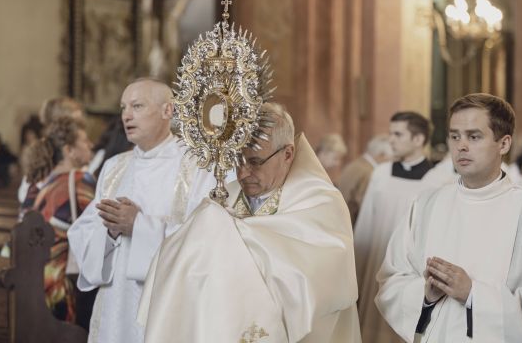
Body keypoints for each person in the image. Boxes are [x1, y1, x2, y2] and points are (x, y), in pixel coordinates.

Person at [138, 103, 361, 343]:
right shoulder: (226, 196)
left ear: (288, 153)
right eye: (237, 160)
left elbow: (318, 281)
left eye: (255, 161)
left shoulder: (322, 202)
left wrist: (222, 234)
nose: (243, 173)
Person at [376, 93, 522, 342]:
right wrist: (424, 295)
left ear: (504, 144)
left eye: (474, 136)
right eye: (454, 136)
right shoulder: (425, 204)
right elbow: (390, 281)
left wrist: (473, 294)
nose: (461, 146)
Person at [67, 78, 215, 343]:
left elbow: (208, 239)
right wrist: (110, 233)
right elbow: (83, 232)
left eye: (137, 106)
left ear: (167, 111)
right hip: (116, 304)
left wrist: (140, 226)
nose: (126, 115)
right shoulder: (114, 167)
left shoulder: (197, 167)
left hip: (166, 306)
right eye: (123, 107)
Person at [354, 111, 435, 343]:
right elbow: (366, 225)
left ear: (418, 139)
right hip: (376, 261)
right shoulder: (380, 174)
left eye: (398, 134)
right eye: (391, 134)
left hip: (411, 271)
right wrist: (357, 267)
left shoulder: (435, 181)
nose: (391, 140)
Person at [22, 116, 96, 324]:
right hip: (60, 285)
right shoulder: (82, 181)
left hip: (31, 279)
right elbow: (102, 230)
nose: (90, 144)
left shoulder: (38, 183)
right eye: (84, 140)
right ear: (68, 150)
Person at [338, 134, 392, 225]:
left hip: (341, 219)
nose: (390, 162)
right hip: (352, 224)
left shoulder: (356, 164)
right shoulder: (369, 172)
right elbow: (364, 206)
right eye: (390, 158)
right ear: (381, 155)